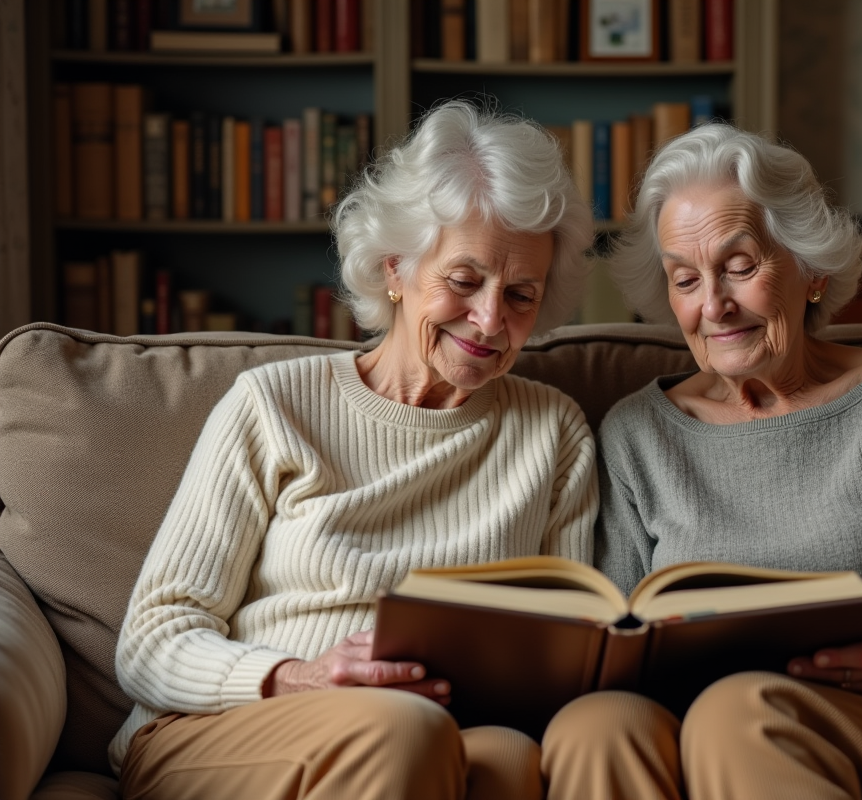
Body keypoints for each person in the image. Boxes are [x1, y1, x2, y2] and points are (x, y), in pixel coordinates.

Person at [540, 124, 862, 800]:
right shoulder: (638, 432)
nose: (714, 306)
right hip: (695, 718)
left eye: (739, 265)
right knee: (597, 724)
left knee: (741, 715)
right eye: (685, 279)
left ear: (811, 268)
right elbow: (614, 640)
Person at [112, 101, 598, 800]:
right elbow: (152, 639)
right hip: (230, 724)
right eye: (464, 281)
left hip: (438, 729)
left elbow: (566, 648)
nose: (491, 320)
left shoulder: (554, 433)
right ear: (395, 268)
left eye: (521, 295)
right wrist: (297, 676)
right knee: (402, 731)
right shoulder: (275, 405)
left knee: (510, 763)